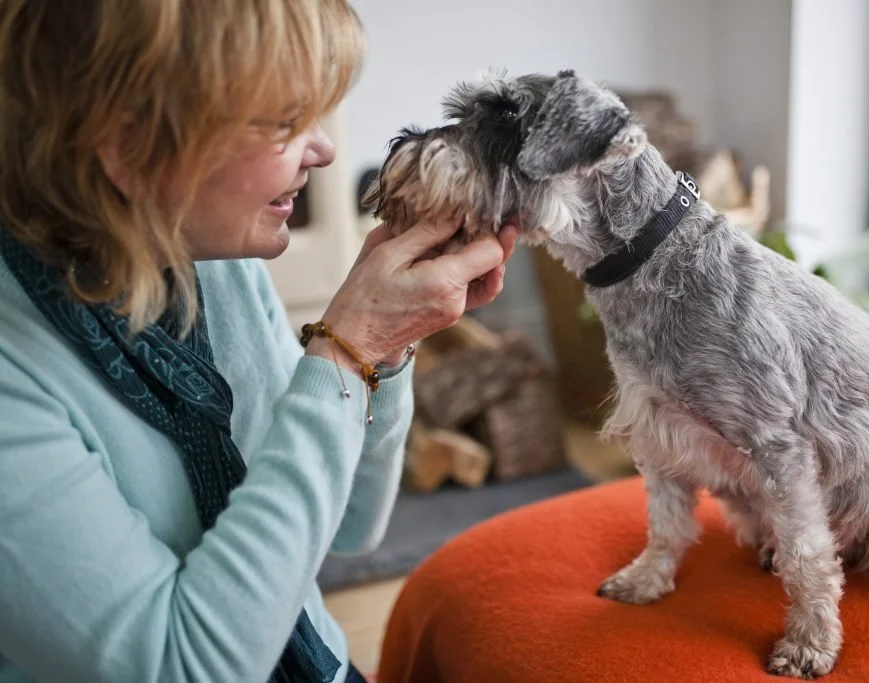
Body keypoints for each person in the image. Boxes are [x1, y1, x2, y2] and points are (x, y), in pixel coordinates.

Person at [0, 2, 516, 682]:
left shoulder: (210, 256)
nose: (324, 149)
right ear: (126, 146)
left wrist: (387, 345)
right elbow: (185, 666)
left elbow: (349, 524)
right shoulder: (17, 369)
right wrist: (348, 348)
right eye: (283, 122)